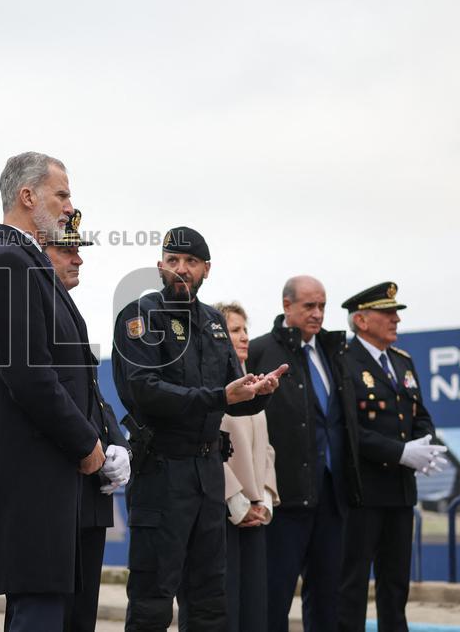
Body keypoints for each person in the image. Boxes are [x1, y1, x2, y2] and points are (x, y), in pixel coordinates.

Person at [111, 225, 287, 632]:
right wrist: (221, 397)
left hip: (208, 476)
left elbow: (234, 393)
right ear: (160, 266)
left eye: (190, 262)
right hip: (161, 472)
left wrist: (260, 392)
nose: (181, 269)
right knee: (152, 602)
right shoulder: (140, 315)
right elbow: (144, 390)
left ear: (206, 269)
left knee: (210, 601)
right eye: (173, 261)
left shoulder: (212, 322)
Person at [0, 152, 107, 632]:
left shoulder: (29, 263)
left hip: (51, 484)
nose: (70, 207)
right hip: (33, 485)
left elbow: (74, 376)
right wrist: (86, 443)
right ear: (28, 196)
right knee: (39, 619)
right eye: (62, 194)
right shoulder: (9, 261)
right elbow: (28, 376)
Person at [245, 276, 362, 632]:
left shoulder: (333, 352)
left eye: (322, 306)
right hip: (286, 497)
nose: (317, 314)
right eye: (309, 306)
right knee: (274, 596)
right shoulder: (261, 351)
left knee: (328, 597)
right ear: (287, 306)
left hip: (331, 495)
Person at [338, 282, 446, 632]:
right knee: (352, 583)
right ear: (361, 320)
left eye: (395, 313)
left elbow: (420, 414)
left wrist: (425, 447)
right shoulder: (344, 362)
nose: (395, 319)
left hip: (400, 492)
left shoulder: (403, 362)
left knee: (396, 583)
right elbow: (350, 429)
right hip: (363, 491)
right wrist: (401, 452)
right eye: (387, 313)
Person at [44, 209, 132, 632]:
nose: (78, 259)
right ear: (41, 251)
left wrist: (118, 442)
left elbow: (93, 398)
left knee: (81, 619)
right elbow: (39, 391)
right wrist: (88, 444)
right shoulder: (40, 305)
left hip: (88, 496)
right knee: (50, 616)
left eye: (79, 250)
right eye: (67, 249)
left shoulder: (70, 310)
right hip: (57, 491)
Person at [213, 302, 278, 632]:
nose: (243, 337)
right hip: (225, 514)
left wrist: (264, 500)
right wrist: (236, 502)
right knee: (227, 609)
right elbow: (209, 448)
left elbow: (265, 450)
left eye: (244, 330)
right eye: (233, 330)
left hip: (256, 514)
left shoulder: (252, 383)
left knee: (255, 608)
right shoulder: (214, 388)